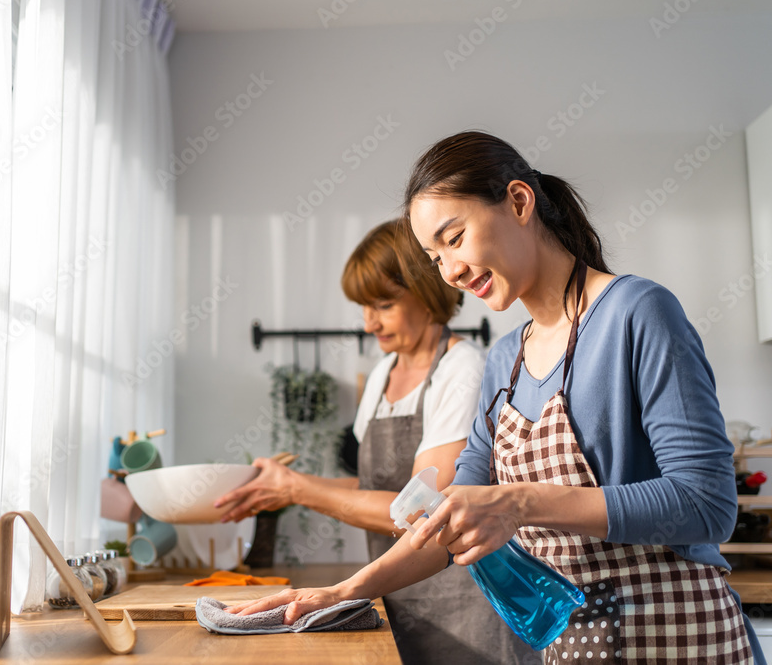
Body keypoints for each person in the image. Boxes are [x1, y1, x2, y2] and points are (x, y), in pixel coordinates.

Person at [228, 131, 766, 664]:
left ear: (518, 200)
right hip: (572, 647)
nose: (452, 271)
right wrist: (346, 591)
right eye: (435, 258)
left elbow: (707, 505)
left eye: (455, 238)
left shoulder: (637, 312)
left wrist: (516, 501)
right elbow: (445, 523)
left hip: (678, 638)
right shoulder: (505, 359)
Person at [215, 220, 538, 664]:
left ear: (428, 293)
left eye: (383, 305)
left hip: (465, 607)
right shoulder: (383, 375)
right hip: (398, 596)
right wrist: (286, 485)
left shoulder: (462, 369)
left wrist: (298, 489)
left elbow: (423, 513)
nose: (370, 324)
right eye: (364, 307)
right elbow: (374, 485)